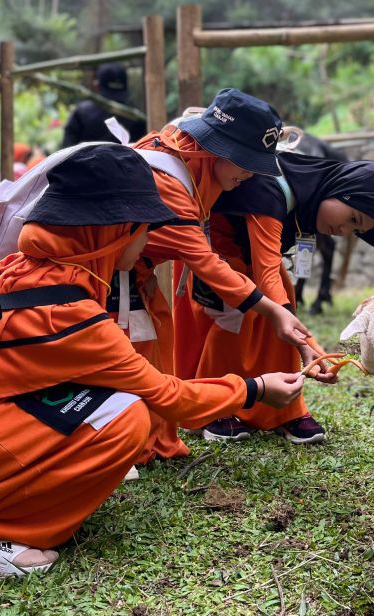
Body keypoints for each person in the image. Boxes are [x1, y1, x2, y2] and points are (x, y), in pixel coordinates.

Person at [0, 144, 304, 576]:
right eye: (144, 229)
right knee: (127, 419)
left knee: (113, 401)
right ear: (116, 231)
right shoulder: (69, 313)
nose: (147, 242)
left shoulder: (23, 266)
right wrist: (255, 388)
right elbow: (171, 397)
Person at [111, 88, 312, 464]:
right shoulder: (170, 184)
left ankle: (153, 442)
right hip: (106, 281)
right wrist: (274, 312)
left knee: (158, 349)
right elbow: (206, 263)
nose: (249, 175)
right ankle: (123, 448)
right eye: (244, 163)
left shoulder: (173, 151)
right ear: (218, 152)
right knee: (134, 365)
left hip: (136, 276)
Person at [176, 152, 374, 443]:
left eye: (355, 230)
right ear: (342, 191)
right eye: (351, 219)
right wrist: (304, 341)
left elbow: (270, 273)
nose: (344, 231)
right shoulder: (272, 189)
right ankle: (213, 407)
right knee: (234, 316)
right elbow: (266, 270)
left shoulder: (317, 192)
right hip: (216, 251)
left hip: (251, 256)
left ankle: (281, 413)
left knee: (282, 304)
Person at [61, 63, 147, 147]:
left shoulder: (81, 112)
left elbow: (66, 149)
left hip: (84, 160)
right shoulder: (136, 116)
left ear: (97, 85)